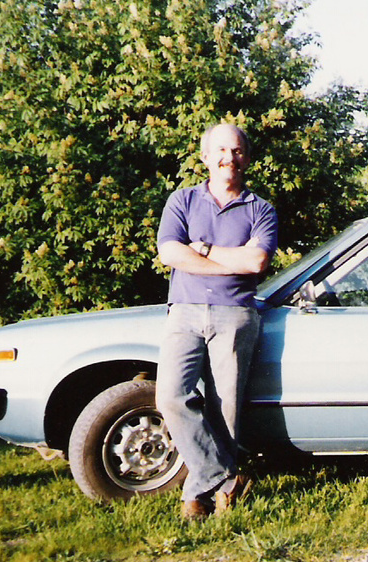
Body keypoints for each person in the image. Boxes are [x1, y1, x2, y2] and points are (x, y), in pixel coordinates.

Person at [155, 123, 278, 520]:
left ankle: (199, 495)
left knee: (225, 409)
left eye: (238, 151)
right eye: (222, 151)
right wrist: (231, 261)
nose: (230, 158)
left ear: (247, 158)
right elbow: (170, 253)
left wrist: (204, 251)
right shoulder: (183, 200)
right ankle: (225, 477)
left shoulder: (261, 209)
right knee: (170, 397)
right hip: (184, 311)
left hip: (236, 315)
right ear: (205, 157)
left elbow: (257, 261)